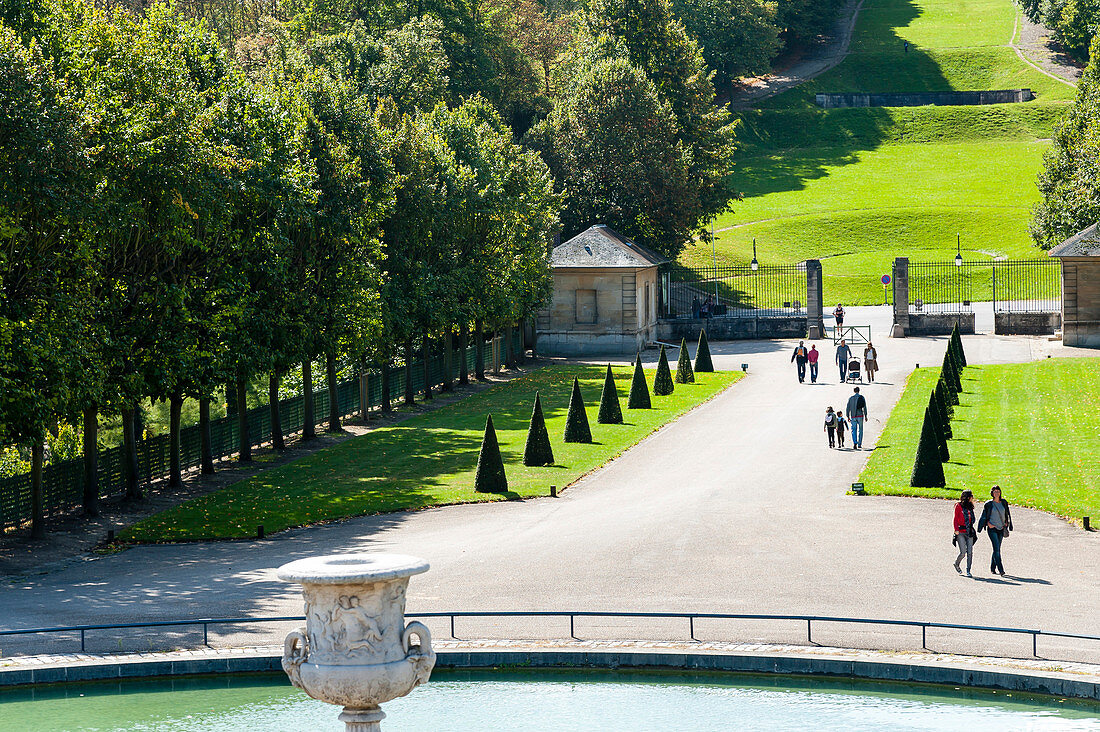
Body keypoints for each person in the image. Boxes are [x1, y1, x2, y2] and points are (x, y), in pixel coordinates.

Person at [977, 486, 1014, 576]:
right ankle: (1001, 569)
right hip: (992, 529)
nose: (996, 493)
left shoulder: (1004, 502)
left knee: (996, 549)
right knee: (997, 549)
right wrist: (987, 524)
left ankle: (992, 568)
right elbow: (984, 516)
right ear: (992, 493)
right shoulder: (989, 504)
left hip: (1001, 528)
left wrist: (1007, 523)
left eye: (998, 491)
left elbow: (1007, 514)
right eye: (995, 491)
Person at [953, 489, 977, 576]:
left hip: (969, 531)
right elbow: (955, 519)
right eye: (971, 497)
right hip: (960, 532)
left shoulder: (970, 507)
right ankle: (956, 563)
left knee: (970, 552)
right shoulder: (958, 506)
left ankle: (968, 570)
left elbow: (972, 519)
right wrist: (956, 529)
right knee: (963, 552)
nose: (972, 498)